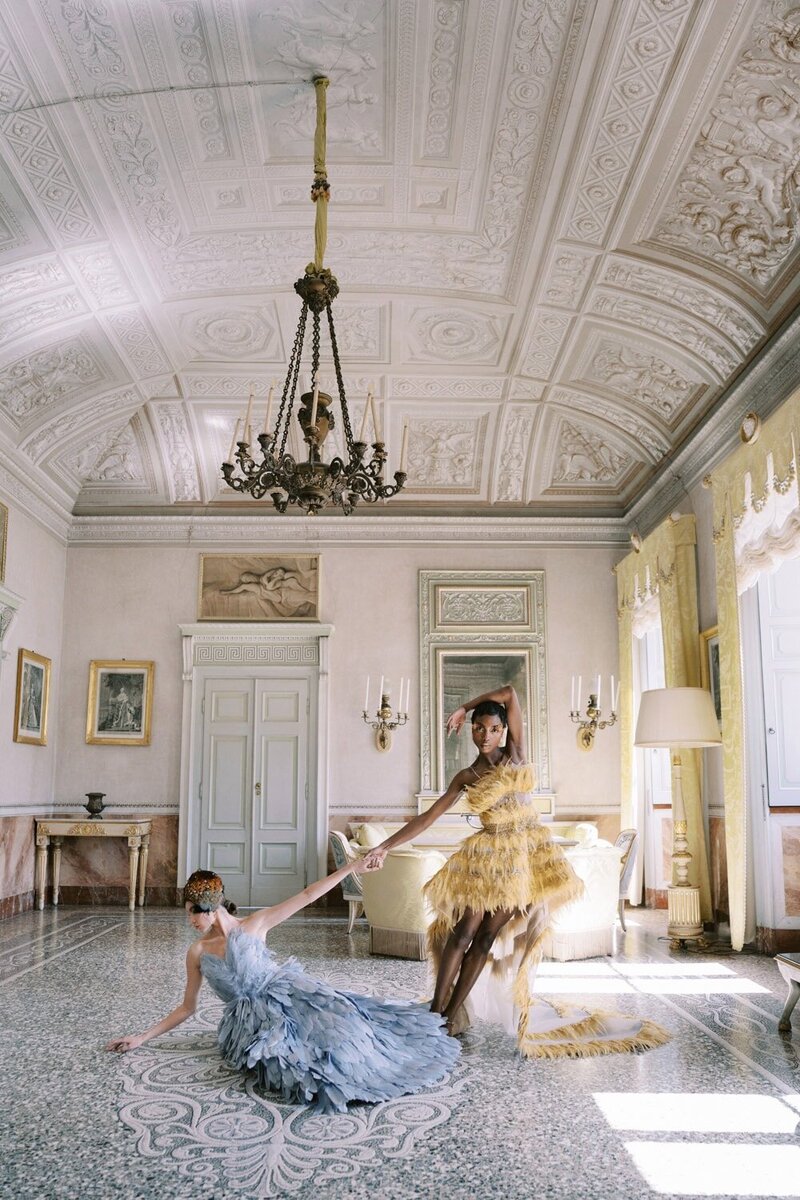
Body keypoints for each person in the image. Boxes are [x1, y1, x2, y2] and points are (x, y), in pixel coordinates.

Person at [363, 683, 669, 1058]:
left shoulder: (516, 756)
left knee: (485, 939)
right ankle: (435, 1013)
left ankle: (449, 1016)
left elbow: (509, 692)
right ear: (471, 731)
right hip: (485, 859)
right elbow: (427, 818)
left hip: (522, 862)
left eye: (494, 729)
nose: (485, 736)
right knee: (462, 934)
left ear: (504, 731)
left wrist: (464, 705)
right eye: (479, 728)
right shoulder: (467, 775)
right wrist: (384, 846)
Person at [106, 863, 460, 1114]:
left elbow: (307, 894)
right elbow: (188, 1007)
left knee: (344, 1029)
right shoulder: (197, 952)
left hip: (288, 994)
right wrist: (142, 1037)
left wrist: (352, 867)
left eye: (192, 913)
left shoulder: (255, 924)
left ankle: (384, 1060)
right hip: (251, 1025)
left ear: (211, 908)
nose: (189, 921)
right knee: (294, 1067)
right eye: (187, 914)